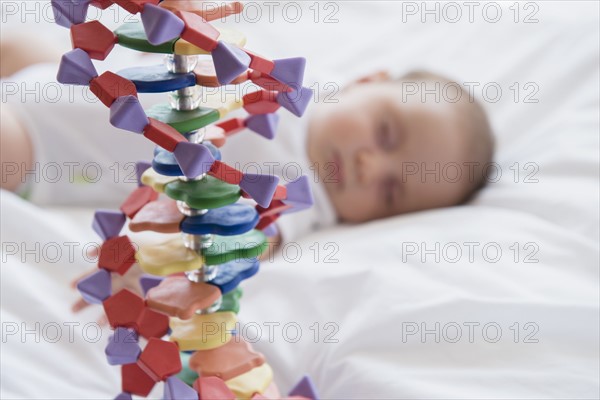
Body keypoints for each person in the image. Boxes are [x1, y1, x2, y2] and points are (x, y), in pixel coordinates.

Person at [1, 38, 494, 313]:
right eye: (387, 133)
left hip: (46, 146)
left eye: (391, 190)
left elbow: (240, 241)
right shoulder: (297, 79)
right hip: (75, 78)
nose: (371, 166)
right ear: (368, 82)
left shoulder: (302, 196)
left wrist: (152, 265)